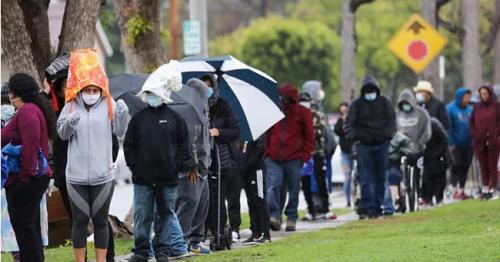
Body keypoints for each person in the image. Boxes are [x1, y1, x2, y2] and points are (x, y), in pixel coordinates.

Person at [57, 49, 128, 262]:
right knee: (79, 221)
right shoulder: (70, 105)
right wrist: (70, 122)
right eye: (86, 89)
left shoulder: (109, 104)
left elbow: (119, 131)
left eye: (93, 89)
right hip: (76, 177)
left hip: (103, 176)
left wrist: (122, 114)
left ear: (100, 88)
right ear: (79, 88)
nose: (90, 92)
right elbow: (62, 134)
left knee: (100, 220)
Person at [123, 61, 193, 262]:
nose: (152, 96)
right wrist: (135, 167)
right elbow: (129, 146)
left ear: (163, 94)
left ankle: (162, 251)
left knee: (164, 215)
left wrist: (177, 166)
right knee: (142, 216)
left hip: (167, 178)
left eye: (155, 93)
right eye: (149, 93)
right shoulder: (138, 119)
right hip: (142, 179)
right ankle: (142, 252)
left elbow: (184, 146)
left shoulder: (175, 119)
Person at [1, 73, 56, 262]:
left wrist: (24, 177)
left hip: (26, 180)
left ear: (16, 93)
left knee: (24, 228)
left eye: (10, 93)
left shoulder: (28, 112)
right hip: (28, 179)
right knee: (28, 228)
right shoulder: (31, 109)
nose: (9, 97)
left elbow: (30, 145)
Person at [344, 75, 396, 219]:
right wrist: (357, 137)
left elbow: (392, 122)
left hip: (381, 144)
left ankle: (377, 206)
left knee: (380, 178)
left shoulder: (385, 103)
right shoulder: (356, 105)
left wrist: (386, 136)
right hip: (363, 145)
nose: (370, 94)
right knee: (365, 178)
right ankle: (366, 207)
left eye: (373, 90)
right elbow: (348, 124)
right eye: (368, 91)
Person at [266, 83, 314, 231]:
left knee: (293, 189)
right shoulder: (274, 111)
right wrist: (267, 151)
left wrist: (304, 156)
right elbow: (268, 132)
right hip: (274, 157)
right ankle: (274, 215)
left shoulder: (303, 112)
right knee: (272, 187)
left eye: (283, 97)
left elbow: (309, 136)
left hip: (294, 158)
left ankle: (291, 217)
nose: (281, 99)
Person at [203, 73, 241, 248]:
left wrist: (219, 132)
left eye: (209, 85)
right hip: (203, 161)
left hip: (222, 161)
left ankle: (221, 234)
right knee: (208, 201)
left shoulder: (223, 107)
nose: (206, 89)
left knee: (220, 200)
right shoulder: (196, 107)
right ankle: (208, 233)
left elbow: (235, 130)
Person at [174, 78, 212, 255]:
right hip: (192, 170)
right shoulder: (188, 112)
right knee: (188, 206)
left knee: (201, 206)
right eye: (205, 92)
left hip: (203, 168)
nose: (208, 95)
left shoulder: (203, 110)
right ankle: (179, 242)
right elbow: (190, 143)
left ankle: (196, 242)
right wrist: (192, 166)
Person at [298, 92, 335, 220]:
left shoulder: (317, 116)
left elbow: (318, 134)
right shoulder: (295, 116)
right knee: (305, 182)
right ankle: (311, 210)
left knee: (321, 181)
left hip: (317, 153)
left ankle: (326, 209)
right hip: (304, 155)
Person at [396, 89, 432, 206]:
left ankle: (418, 194)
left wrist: (420, 142)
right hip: (401, 150)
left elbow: (427, 131)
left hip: (417, 150)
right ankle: (400, 197)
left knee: (418, 173)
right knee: (399, 172)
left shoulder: (421, 113)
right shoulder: (397, 114)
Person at [470, 84, 500, 200]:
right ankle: (485, 186)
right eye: (481, 94)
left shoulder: (496, 106)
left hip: (493, 140)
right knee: (483, 165)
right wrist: (475, 134)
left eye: (485, 93)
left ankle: (493, 187)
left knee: (492, 164)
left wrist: (496, 133)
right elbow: (472, 121)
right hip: (480, 141)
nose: (483, 96)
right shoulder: (477, 107)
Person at [240, 137, 271, 244]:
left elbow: (260, 149)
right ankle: (256, 232)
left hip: (257, 170)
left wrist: (247, 164)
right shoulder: (243, 136)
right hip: (246, 173)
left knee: (260, 200)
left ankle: (266, 234)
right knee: (251, 202)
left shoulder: (256, 133)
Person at [446, 87, 473, 200]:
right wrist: (450, 142)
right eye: (465, 96)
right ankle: (453, 189)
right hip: (455, 144)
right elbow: (449, 127)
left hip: (468, 144)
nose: (467, 99)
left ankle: (461, 190)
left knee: (465, 167)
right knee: (455, 166)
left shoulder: (470, 109)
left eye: (469, 96)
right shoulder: (450, 109)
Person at [422, 118, 449, 205]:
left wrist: (439, 154)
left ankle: (439, 198)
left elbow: (444, 138)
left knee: (439, 177)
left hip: (439, 154)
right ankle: (428, 198)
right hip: (428, 154)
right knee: (427, 177)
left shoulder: (434, 125)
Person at [334, 102, 354, 207]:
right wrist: (343, 120)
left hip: (355, 153)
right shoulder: (339, 121)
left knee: (357, 176)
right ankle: (348, 200)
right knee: (347, 177)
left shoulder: (353, 120)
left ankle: (356, 197)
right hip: (345, 153)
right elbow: (338, 131)